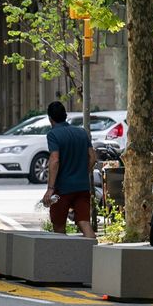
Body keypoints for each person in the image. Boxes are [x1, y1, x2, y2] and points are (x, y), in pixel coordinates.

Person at [42, 100, 96, 239]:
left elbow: (55, 160)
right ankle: (93, 250)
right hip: (82, 187)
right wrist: (82, 173)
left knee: (59, 226)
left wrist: (50, 188)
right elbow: (92, 157)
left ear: (50, 118)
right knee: (84, 222)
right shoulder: (81, 132)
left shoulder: (53, 134)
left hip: (62, 189)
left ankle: (62, 253)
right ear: (65, 116)